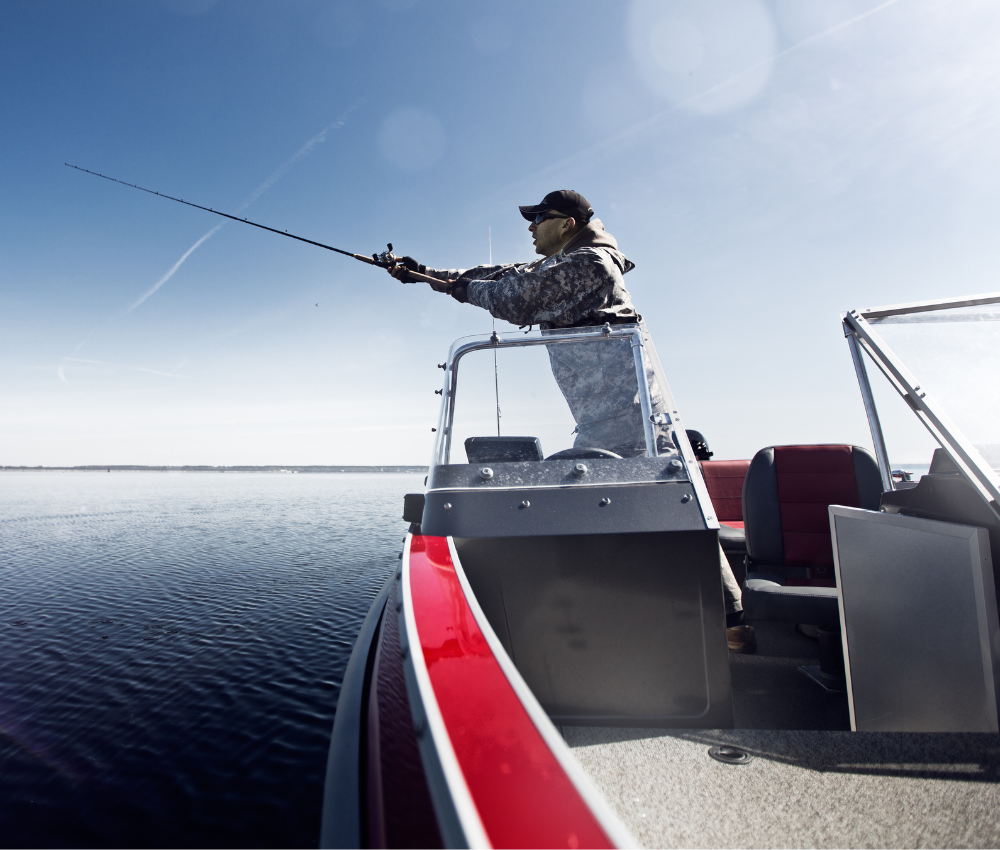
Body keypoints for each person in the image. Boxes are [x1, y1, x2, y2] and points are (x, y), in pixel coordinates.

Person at [390, 190, 754, 652]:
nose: (530, 227)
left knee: (672, 513)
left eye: (539, 217)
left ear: (567, 223)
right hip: (602, 416)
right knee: (649, 515)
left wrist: (457, 288)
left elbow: (517, 298)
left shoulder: (593, 264)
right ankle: (695, 619)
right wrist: (425, 275)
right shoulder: (564, 262)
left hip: (633, 415)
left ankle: (729, 623)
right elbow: (497, 275)